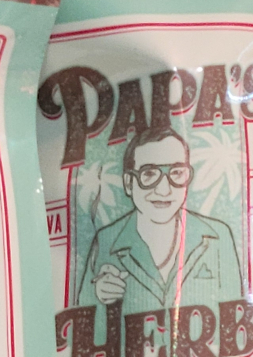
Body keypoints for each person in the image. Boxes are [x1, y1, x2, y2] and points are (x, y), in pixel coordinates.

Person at [77, 125, 243, 312]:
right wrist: (97, 293)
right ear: (129, 183)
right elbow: (82, 313)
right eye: (149, 174)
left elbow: (236, 312)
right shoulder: (106, 240)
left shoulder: (218, 237)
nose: (164, 190)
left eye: (177, 173)